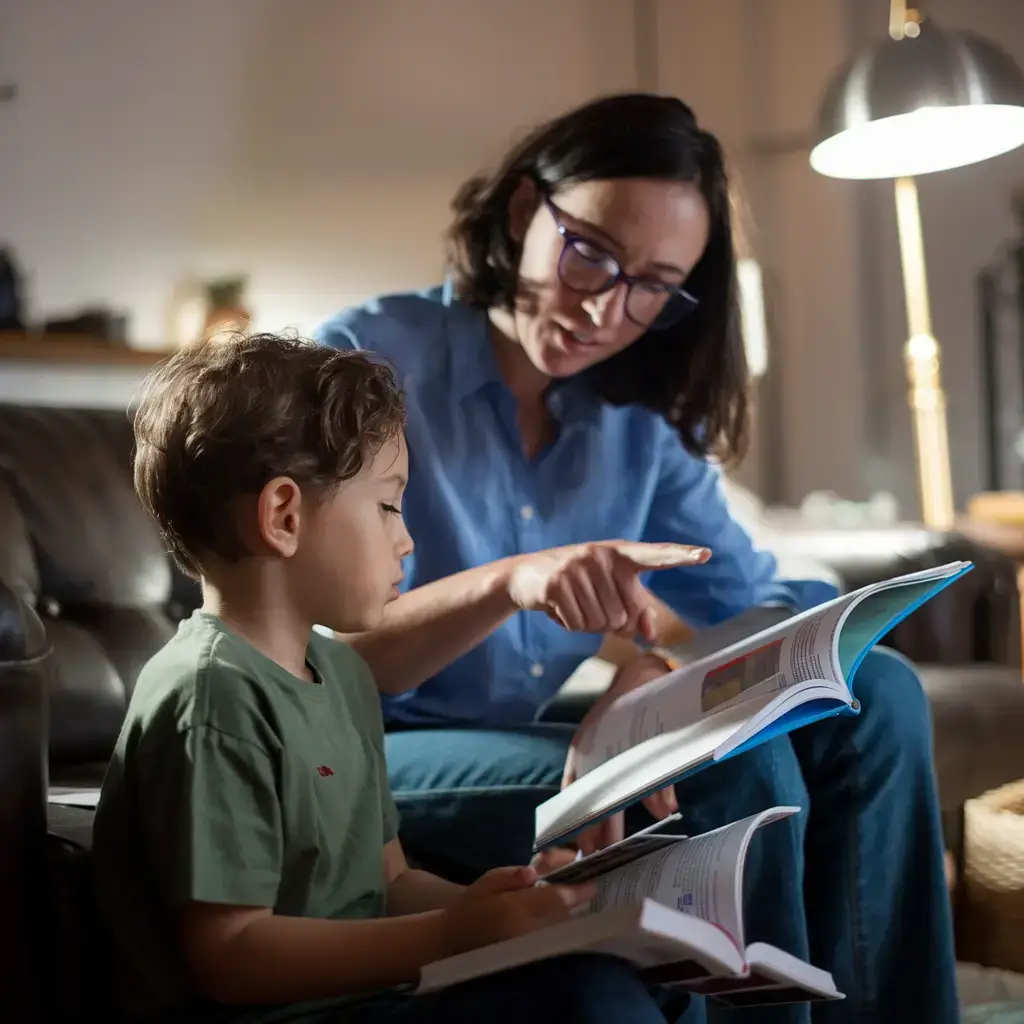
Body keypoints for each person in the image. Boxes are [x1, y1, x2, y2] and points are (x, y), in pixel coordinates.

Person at [314, 92, 958, 1024]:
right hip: (374, 753)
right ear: (526, 211)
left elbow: (760, 599)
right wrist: (507, 587)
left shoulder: (635, 418)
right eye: (592, 256)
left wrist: (659, 669)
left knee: (882, 689)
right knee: (741, 775)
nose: (607, 309)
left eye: (653, 284)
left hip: (536, 738)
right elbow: (313, 657)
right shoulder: (365, 362)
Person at [90, 332, 695, 1024]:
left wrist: (494, 907)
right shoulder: (211, 695)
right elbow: (231, 955)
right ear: (284, 517)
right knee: (592, 1001)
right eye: (387, 506)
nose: (405, 539)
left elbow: (390, 883)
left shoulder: (344, 674)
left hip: (369, 996)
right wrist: (450, 936)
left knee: (650, 977)